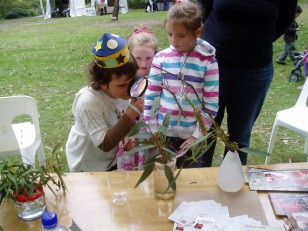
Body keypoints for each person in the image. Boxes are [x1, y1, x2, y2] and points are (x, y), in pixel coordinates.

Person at [197, 0, 298, 166]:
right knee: (205, 132)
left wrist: (256, 42)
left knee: (239, 138)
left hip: (255, 70)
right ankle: (200, 185)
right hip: (212, 67)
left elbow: (284, 20)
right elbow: (200, 11)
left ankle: (231, 186)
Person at [144, 1, 219, 168]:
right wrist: (153, 128)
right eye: (169, 34)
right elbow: (152, 94)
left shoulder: (208, 62)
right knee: (165, 176)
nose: (173, 40)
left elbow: (211, 104)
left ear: (197, 32)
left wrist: (198, 134)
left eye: (181, 36)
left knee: (190, 179)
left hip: (192, 138)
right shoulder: (161, 59)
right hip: (164, 134)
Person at [65, 33, 144, 172]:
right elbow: (104, 143)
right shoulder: (88, 102)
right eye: (122, 85)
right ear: (102, 84)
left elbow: (118, 120)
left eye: (132, 82)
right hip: (86, 164)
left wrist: (124, 135)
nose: (130, 89)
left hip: (107, 160)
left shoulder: (122, 93)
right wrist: (130, 114)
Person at [115, 28, 158, 170]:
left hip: (152, 133)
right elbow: (121, 108)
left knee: (150, 168)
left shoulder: (159, 79)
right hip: (130, 133)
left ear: (156, 55)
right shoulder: (125, 80)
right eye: (138, 58)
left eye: (148, 58)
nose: (144, 63)